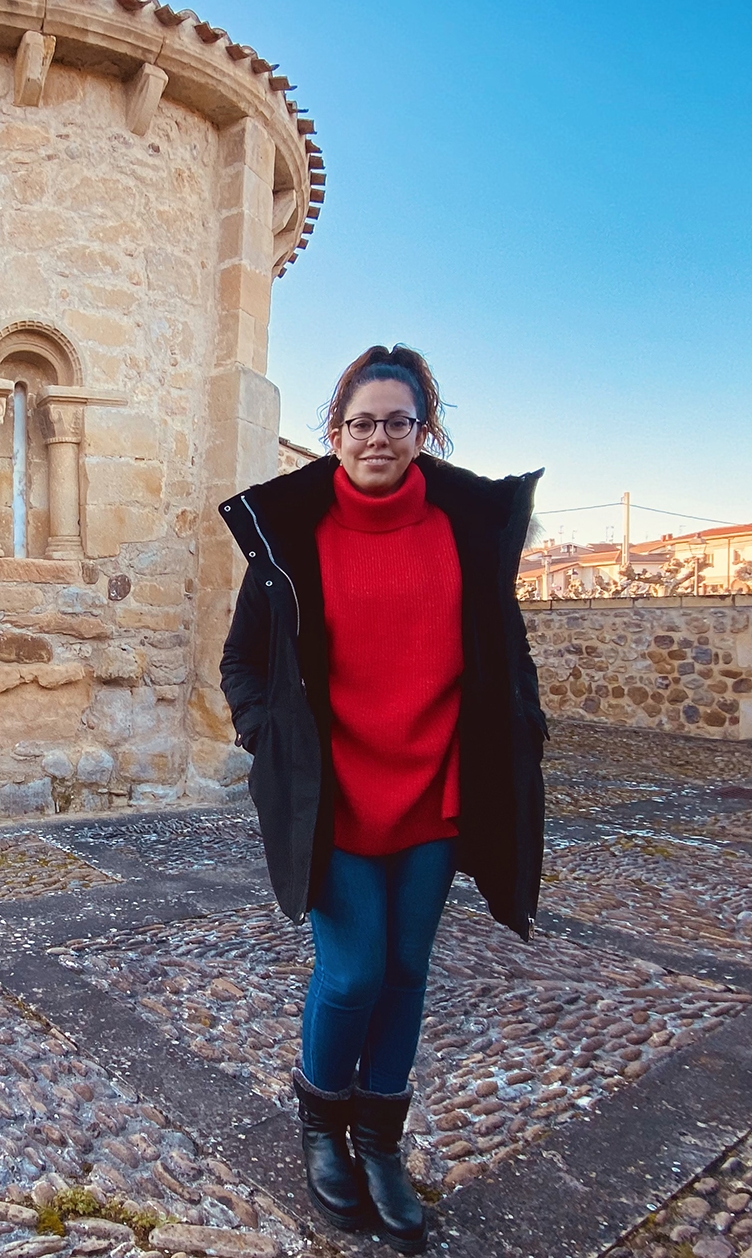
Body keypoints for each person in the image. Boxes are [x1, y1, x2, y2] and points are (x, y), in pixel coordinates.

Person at [217, 344, 547, 1254]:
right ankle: (323, 1127)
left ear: (421, 431)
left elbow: (501, 651)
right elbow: (241, 662)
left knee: (407, 970)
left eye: (396, 422)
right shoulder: (295, 540)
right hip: (338, 801)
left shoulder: (463, 532)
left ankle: (381, 1143)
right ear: (334, 433)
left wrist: (522, 726)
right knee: (355, 969)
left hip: (436, 794)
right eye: (360, 422)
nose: (377, 438)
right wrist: (268, 737)